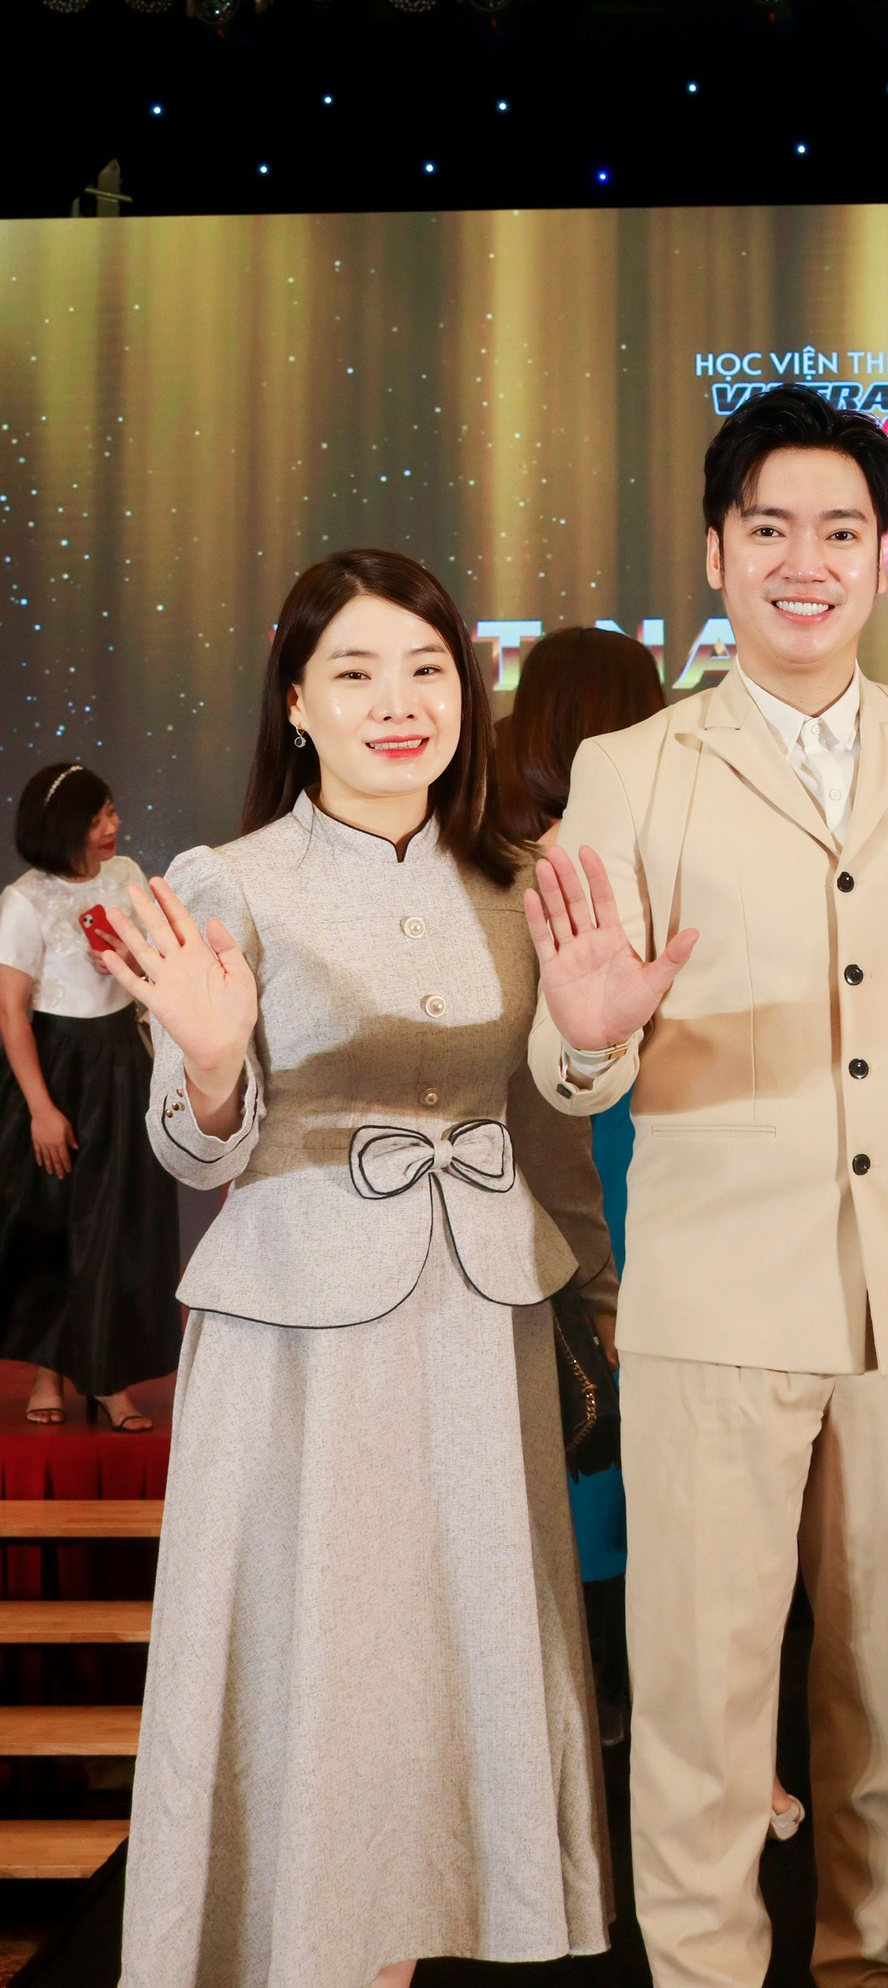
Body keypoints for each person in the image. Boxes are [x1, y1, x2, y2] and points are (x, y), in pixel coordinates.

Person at [525, 387, 888, 1988]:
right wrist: (588, 1035)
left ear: (882, 556)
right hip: (714, 1310)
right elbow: (569, 1061)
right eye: (768, 530)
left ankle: (876, 1969)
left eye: (837, 530)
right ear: (715, 552)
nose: (802, 563)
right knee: (700, 1722)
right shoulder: (630, 770)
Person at [107, 550, 611, 1988]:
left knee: (459, 1657)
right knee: (317, 1652)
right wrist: (213, 1066)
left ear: (467, 691)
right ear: (297, 703)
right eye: (356, 673)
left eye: (428, 670)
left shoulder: (522, 881)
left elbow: (554, 1112)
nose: (399, 704)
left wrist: (595, 1044)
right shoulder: (227, 881)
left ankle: (405, 1955)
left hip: (479, 1325)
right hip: (297, 1338)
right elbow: (192, 1149)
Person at [497, 624, 666, 1745]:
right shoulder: (603, 869)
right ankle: (624, 1694)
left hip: (539, 1183)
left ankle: (581, 1698)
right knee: (621, 1436)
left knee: (568, 1443)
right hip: (620, 1163)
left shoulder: (488, 859)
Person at [0, 763, 181, 1430]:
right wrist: (41, 1110)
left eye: (111, 812)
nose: (113, 826)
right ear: (62, 827)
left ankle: (110, 1381)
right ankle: (48, 1373)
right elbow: (11, 1013)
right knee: (53, 1220)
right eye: (98, 817)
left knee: (121, 1220)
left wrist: (126, 964)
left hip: (122, 1062)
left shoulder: (125, 874)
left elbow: (153, 965)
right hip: (54, 1068)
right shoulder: (24, 900)